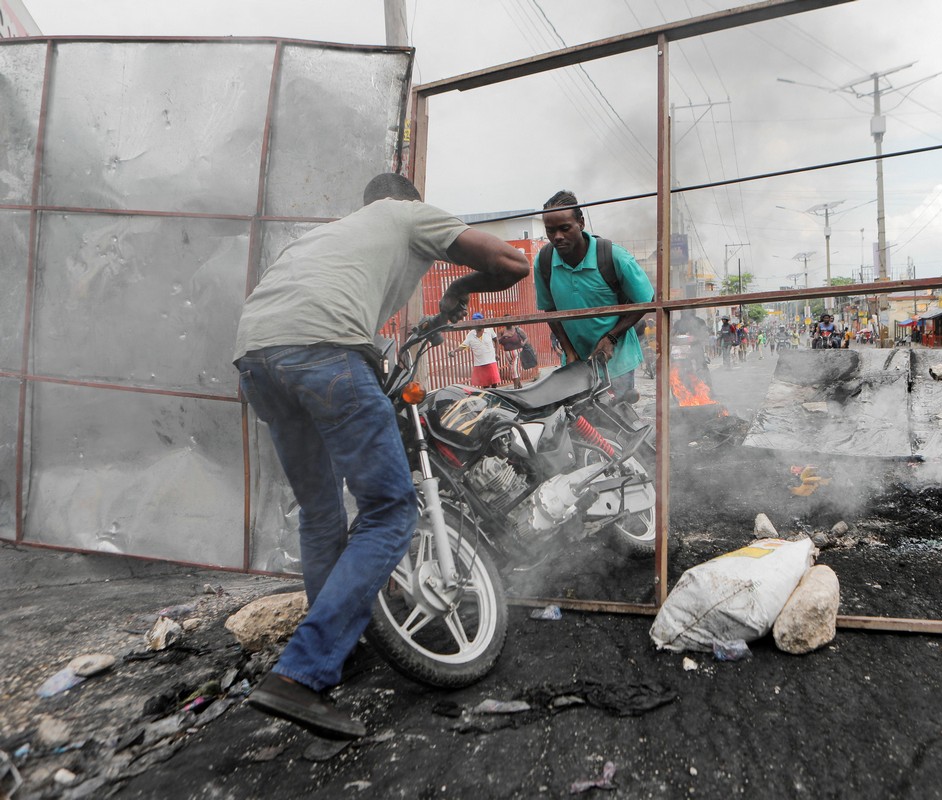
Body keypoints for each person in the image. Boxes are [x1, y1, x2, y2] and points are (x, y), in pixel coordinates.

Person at [232, 172, 528, 740]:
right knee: (390, 511)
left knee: (321, 514)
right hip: (324, 354)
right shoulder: (406, 215)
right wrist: (461, 290)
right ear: (405, 202)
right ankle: (299, 674)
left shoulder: (326, 237)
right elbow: (512, 263)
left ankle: (323, 665)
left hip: (256, 359)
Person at [536, 190, 654, 402]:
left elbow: (646, 300)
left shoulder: (613, 257)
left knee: (616, 424)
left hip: (617, 362)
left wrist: (611, 338)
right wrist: (568, 350)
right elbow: (550, 310)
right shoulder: (544, 261)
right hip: (576, 365)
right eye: (550, 230)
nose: (557, 237)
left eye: (564, 228)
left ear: (580, 223)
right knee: (583, 427)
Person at [460, 313, 501, 388]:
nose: (476, 324)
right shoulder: (471, 334)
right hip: (480, 363)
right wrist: (454, 351)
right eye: (475, 322)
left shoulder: (489, 330)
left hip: (491, 361)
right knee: (485, 386)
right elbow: (464, 345)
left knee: (494, 384)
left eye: (478, 322)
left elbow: (496, 340)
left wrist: (497, 353)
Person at [495, 322, 529, 388]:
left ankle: (515, 387)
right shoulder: (502, 331)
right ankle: (519, 385)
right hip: (507, 353)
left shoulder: (517, 329)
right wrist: (503, 336)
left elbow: (526, 337)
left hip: (517, 352)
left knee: (515, 369)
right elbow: (497, 341)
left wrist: (523, 343)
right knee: (512, 370)